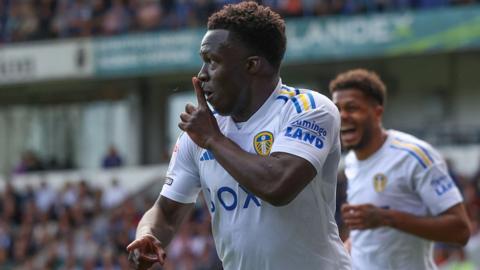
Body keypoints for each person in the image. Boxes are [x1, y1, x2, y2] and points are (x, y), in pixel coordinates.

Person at [126, 2, 351, 270]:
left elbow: (277, 185)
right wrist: (148, 234)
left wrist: (213, 139)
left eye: (213, 61)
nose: (201, 75)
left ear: (252, 65)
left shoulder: (309, 109)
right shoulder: (201, 131)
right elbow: (165, 212)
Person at [329, 68, 471, 270]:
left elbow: (460, 230)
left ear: (377, 112)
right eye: (337, 109)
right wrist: (344, 251)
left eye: (352, 108)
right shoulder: (351, 160)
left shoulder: (414, 156)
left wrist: (387, 218)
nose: (343, 116)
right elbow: (369, 232)